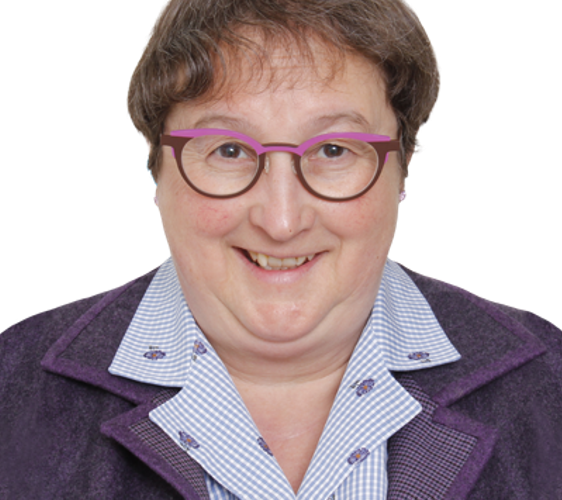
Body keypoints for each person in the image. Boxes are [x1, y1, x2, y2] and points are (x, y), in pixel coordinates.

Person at [1, 0, 561, 498]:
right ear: (156, 165)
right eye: (227, 150)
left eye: (334, 149)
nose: (282, 220)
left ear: (402, 166)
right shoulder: (9, 382)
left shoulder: (552, 379)